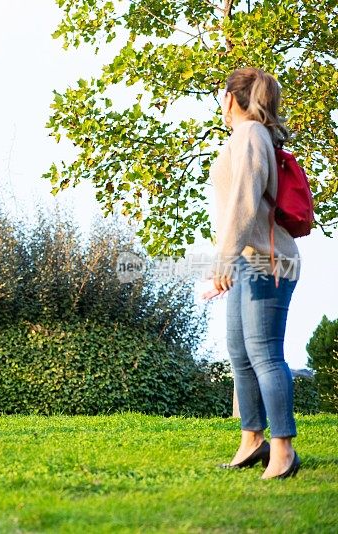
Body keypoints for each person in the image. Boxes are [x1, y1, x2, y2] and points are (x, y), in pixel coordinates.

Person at [207, 68, 301, 479]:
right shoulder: (250, 136)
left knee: (263, 354)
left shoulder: (248, 136)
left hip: (268, 260)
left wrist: (222, 260)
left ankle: (283, 450)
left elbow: (243, 205)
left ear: (231, 99)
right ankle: (252, 440)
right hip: (250, 259)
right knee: (241, 355)